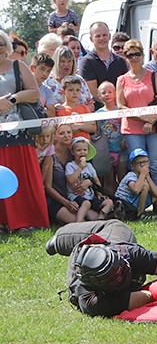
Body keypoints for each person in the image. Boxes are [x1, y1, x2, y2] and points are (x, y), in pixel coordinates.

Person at [0, 30, 50, 233]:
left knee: (21, 175)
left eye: (1, 43)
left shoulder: (18, 65)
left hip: (19, 130)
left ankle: (25, 221)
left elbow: (34, 92)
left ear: (7, 46)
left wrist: (12, 99)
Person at [116, 39, 157, 210]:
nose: (134, 58)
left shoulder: (154, 76)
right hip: (132, 128)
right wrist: (143, 119)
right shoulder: (122, 80)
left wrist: (151, 120)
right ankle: (138, 206)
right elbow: (121, 105)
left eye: (137, 54)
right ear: (125, 57)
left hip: (155, 127)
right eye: (130, 55)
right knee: (138, 167)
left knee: (156, 164)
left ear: (143, 54)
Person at [78, 22, 128, 111]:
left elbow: (125, 87)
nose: (102, 38)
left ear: (109, 36)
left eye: (104, 35)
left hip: (120, 110)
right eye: (98, 36)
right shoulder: (86, 62)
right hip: (98, 113)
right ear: (91, 39)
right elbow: (93, 92)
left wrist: (117, 106)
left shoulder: (121, 61)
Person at [65, 137, 113, 221]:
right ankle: (78, 222)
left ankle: (100, 219)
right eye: (78, 150)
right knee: (86, 203)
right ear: (72, 152)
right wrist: (80, 168)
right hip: (75, 196)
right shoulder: (70, 165)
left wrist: (99, 193)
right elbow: (70, 180)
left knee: (109, 202)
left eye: (85, 150)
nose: (82, 152)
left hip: (90, 196)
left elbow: (96, 180)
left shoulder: (89, 166)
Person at [43, 123, 79, 225]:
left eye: (69, 132)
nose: (66, 135)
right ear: (55, 136)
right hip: (55, 200)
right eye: (62, 133)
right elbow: (48, 186)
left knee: (91, 217)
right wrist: (66, 203)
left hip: (73, 197)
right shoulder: (50, 155)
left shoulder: (74, 153)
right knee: (77, 222)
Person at [115, 148, 157, 215]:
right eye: (139, 163)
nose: (142, 165)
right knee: (145, 186)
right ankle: (140, 213)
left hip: (132, 202)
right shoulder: (130, 176)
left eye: (145, 162)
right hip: (123, 203)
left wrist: (148, 177)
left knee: (153, 195)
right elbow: (136, 190)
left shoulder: (144, 176)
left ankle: (138, 211)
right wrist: (143, 174)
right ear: (132, 166)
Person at [56, 75, 97, 141]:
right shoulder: (61, 110)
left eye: (77, 90)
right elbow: (67, 129)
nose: (75, 93)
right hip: (69, 145)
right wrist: (84, 125)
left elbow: (93, 127)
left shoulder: (84, 108)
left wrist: (78, 126)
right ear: (63, 92)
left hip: (85, 145)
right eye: (71, 90)